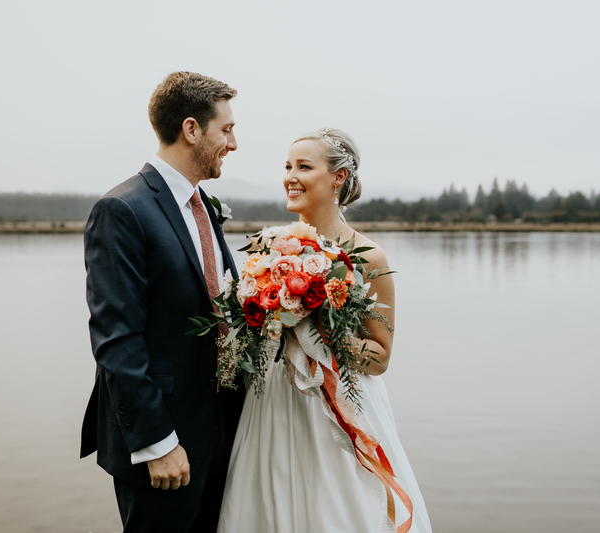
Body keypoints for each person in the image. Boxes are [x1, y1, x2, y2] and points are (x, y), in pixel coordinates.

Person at [217, 128, 432, 533]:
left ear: (338, 178)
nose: (290, 176)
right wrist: (269, 313)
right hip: (276, 401)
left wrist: (317, 325)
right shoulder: (266, 248)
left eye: (303, 166)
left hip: (340, 401)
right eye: (287, 166)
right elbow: (256, 335)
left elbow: (380, 357)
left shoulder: (370, 257)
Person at [80, 71, 245, 533]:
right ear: (192, 130)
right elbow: (117, 341)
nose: (233, 143)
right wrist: (158, 443)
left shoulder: (203, 206)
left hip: (220, 438)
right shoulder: (123, 209)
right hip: (163, 449)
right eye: (226, 130)